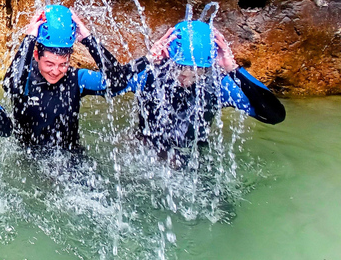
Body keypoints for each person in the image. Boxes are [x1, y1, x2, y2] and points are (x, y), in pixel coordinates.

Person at [89, 16, 286, 160]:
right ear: (170, 58)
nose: (186, 75)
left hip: (188, 158)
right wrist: (146, 60)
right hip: (143, 151)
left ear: (208, 66)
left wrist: (234, 70)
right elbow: (109, 84)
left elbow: (274, 116)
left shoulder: (218, 84)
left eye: (196, 70)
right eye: (181, 67)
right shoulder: (150, 73)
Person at [3, 4, 119, 153]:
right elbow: (10, 86)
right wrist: (30, 38)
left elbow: (117, 81)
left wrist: (87, 38)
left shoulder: (77, 78)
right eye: (49, 64)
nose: (56, 71)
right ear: (37, 55)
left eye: (63, 64)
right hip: (31, 160)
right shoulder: (24, 76)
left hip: (70, 161)